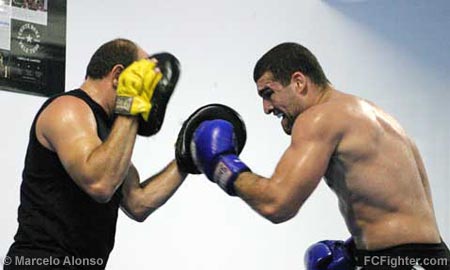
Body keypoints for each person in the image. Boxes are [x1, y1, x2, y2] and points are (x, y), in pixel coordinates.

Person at [177, 42, 450, 269]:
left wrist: (221, 165)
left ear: (299, 82)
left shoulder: (318, 118)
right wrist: (358, 251)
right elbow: (398, 204)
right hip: (429, 258)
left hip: (398, 261)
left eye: (269, 94)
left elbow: (277, 204)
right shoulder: (371, 113)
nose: (266, 108)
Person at [4, 38, 186, 270]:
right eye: (143, 75)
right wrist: (130, 104)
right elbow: (100, 183)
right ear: (119, 75)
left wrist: (186, 159)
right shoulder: (68, 109)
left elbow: (137, 202)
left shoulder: (109, 137)